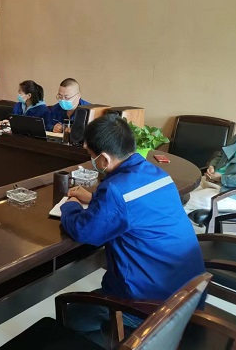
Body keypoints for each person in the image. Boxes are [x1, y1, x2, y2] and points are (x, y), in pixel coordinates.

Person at [60, 115, 205, 345]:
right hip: (187, 296)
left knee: (71, 314)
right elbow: (133, 205)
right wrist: (95, 198)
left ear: (104, 158)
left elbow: (84, 231)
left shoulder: (116, 190)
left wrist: (70, 206)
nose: (91, 160)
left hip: (150, 306)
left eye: (90, 154)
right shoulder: (158, 174)